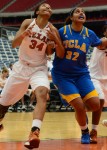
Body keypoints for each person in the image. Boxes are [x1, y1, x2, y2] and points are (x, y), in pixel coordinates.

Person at [0, 2, 65, 149]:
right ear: (37, 12)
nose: (48, 7)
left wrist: (52, 42)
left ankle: (34, 132)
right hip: (21, 68)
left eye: (50, 7)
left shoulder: (52, 29)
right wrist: (24, 34)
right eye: (44, 6)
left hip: (38, 69)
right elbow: (14, 44)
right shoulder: (28, 22)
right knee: (2, 106)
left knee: (42, 93)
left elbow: (50, 53)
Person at [51, 7, 107, 144]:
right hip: (62, 75)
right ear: (71, 17)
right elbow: (56, 51)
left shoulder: (89, 33)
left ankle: (76, 104)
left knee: (95, 105)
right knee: (80, 106)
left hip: (81, 74)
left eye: (83, 12)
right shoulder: (62, 31)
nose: (81, 13)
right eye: (78, 12)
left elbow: (100, 44)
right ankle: (84, 131)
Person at [89, 25, 107, 143]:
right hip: (95, 78)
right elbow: (97, 44)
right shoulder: (104, 41)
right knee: (99, 99)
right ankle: (94, 131)